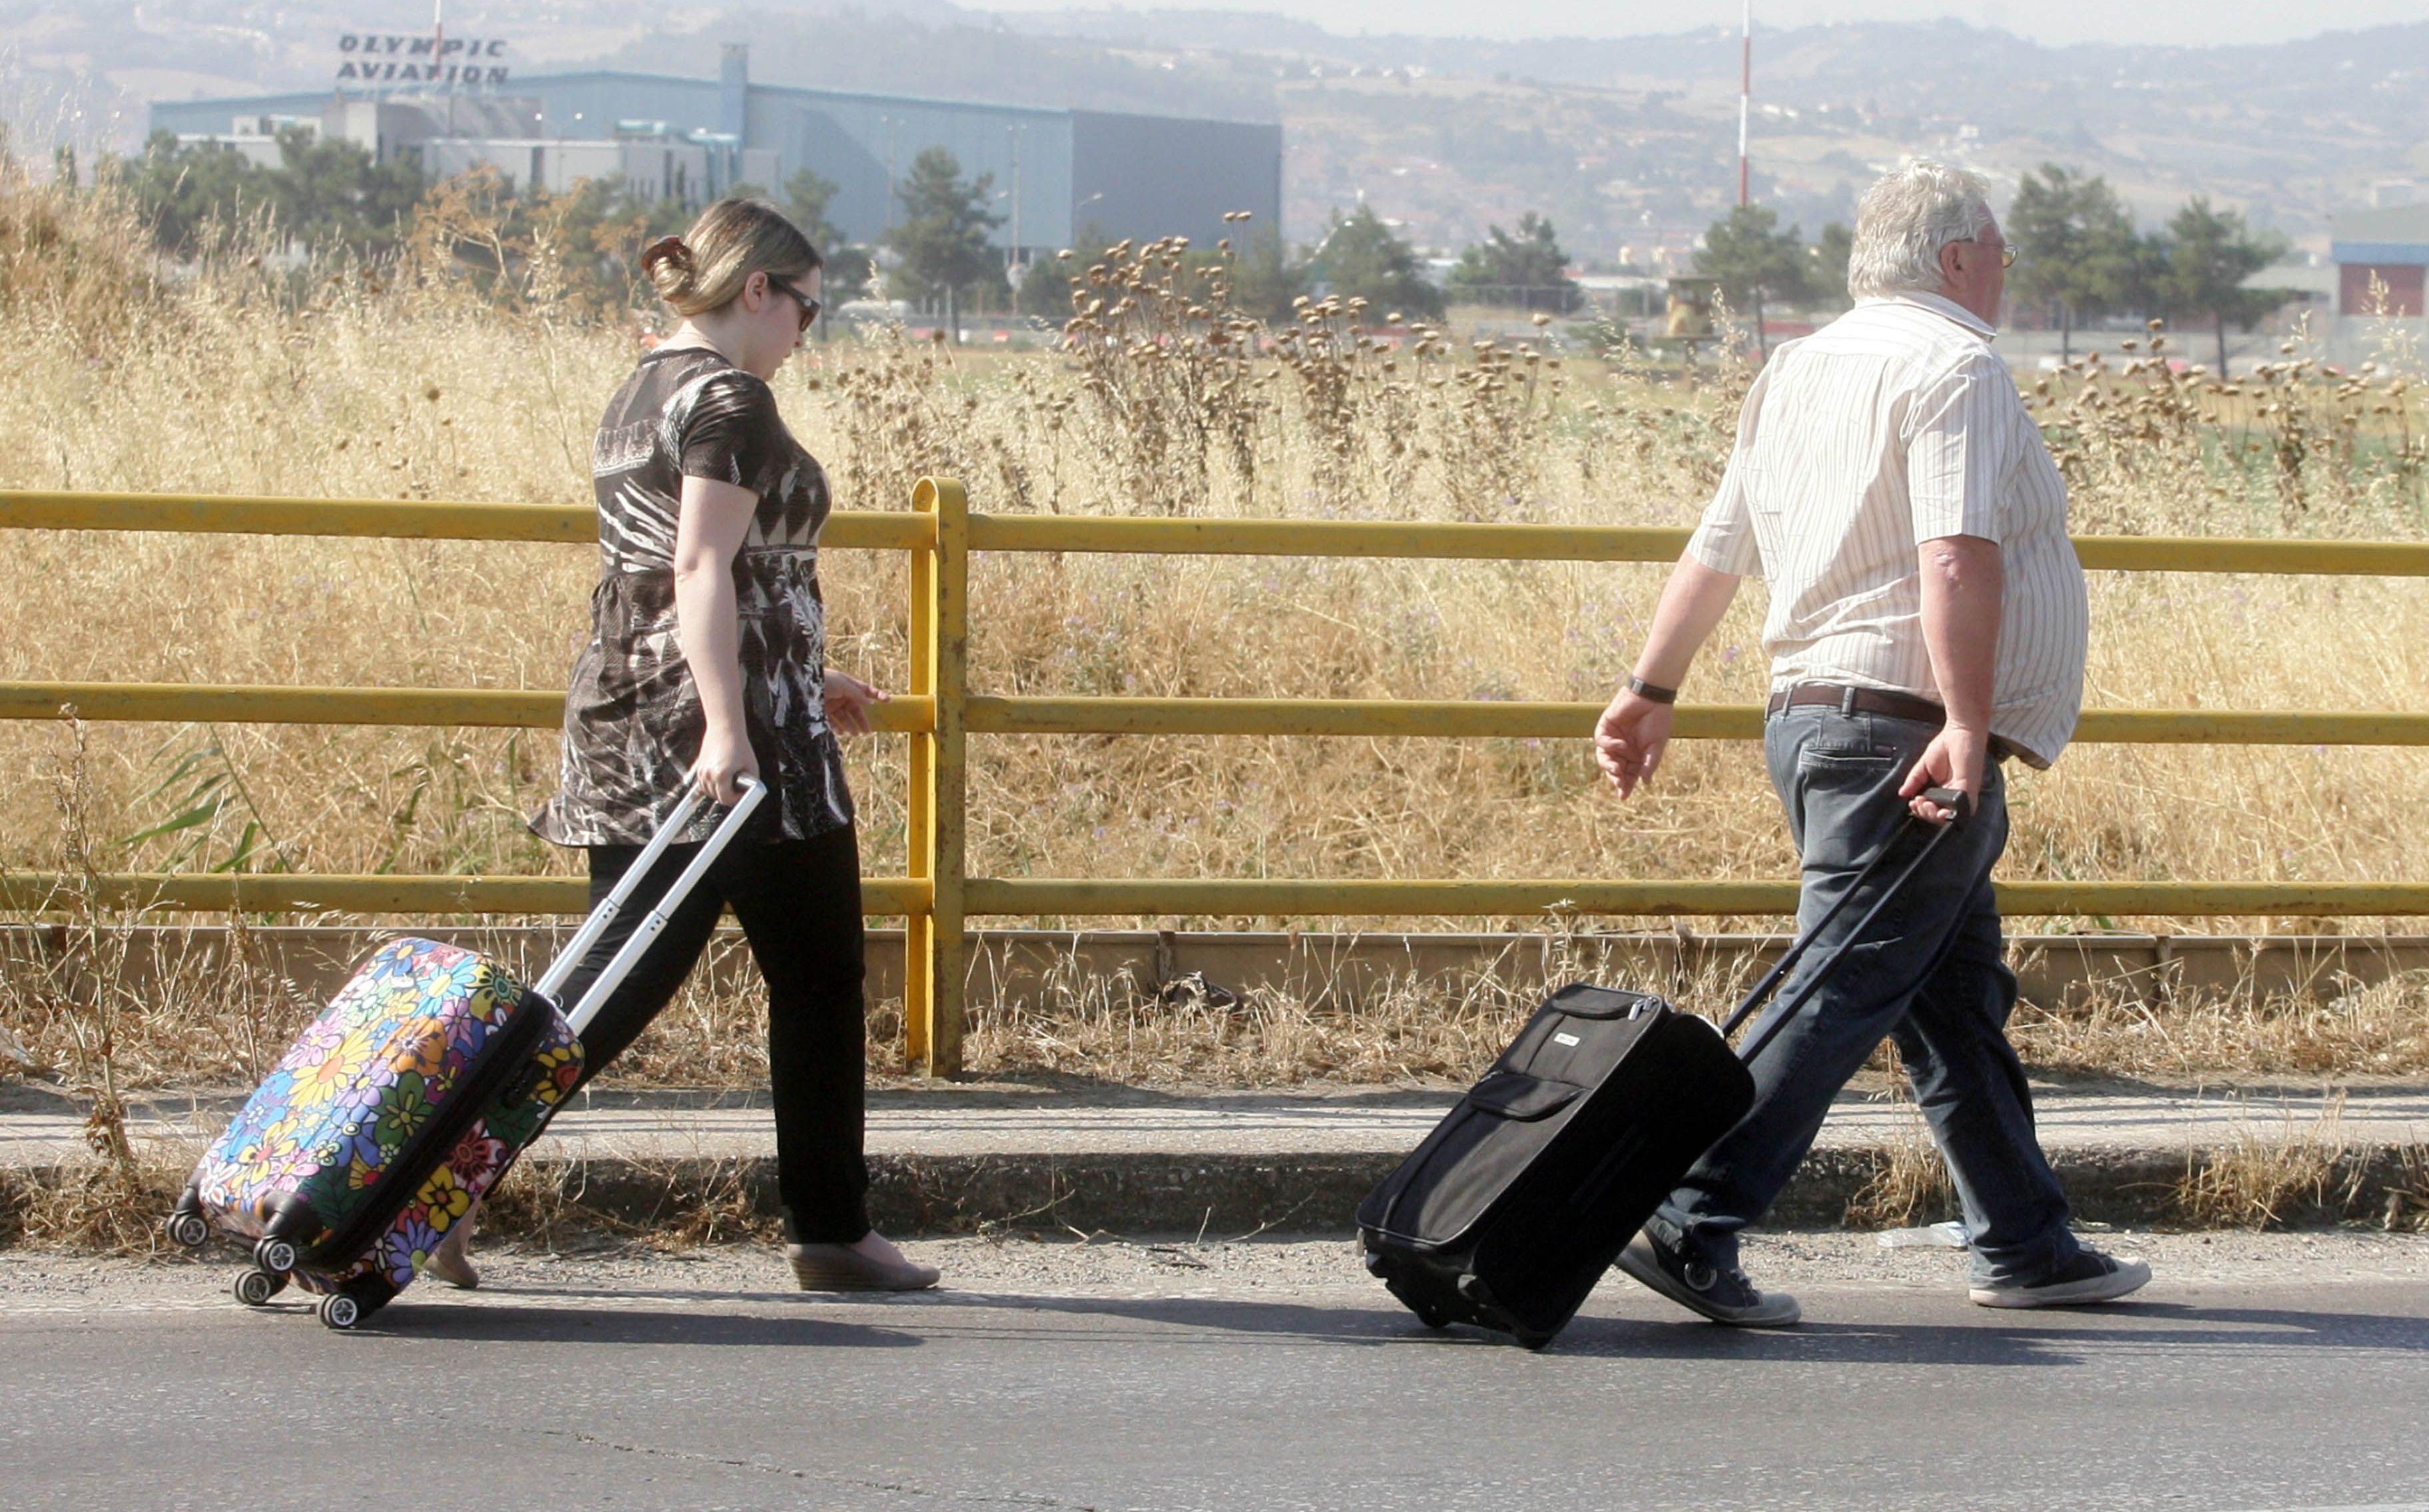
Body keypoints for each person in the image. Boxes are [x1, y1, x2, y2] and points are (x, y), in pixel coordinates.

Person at [1591, 160, 2148, 1326]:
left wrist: (1652, 687)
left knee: (1952, 995)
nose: (2006, 267)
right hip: (1905, 738)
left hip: (1817, 723)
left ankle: (2026, 1243)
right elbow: (1956, 553)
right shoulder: (1955, 366)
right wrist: (1962, 723)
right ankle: (1693, 1220)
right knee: (1839, 988)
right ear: (1953, 259)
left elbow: (1717, 546)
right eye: (1996, 248)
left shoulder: (1801, 367)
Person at [431, 197, 937, 1294]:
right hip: (732, 741)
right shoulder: (732, 398)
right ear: (758, 289)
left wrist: (812, 670)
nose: (809, 329)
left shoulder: (639, 389)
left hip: (642, 709)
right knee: (800, 979)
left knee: (621, 983)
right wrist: (728, 725)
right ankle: (830, 1230)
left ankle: (444, 1183)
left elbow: (677, 570)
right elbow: (703, 568)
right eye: (806, 305)